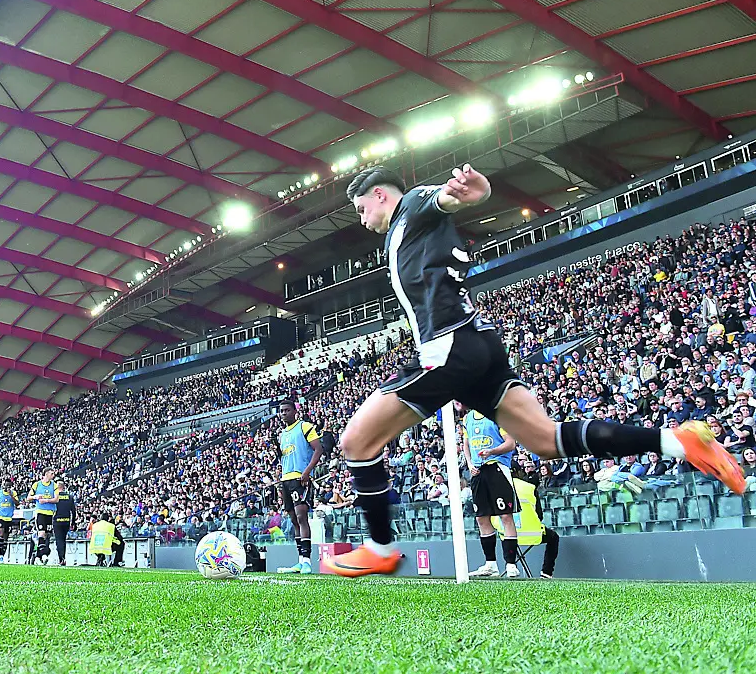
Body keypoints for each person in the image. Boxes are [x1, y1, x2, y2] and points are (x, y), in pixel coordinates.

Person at [323, 164, 745, 577]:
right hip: (477, 343)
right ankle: (678, 441)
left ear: (380, 195)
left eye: (362, 209)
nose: (363, 220)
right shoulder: (406, 228)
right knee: (544, 440)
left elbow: (445, 198)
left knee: (356, 442)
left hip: (449, 345)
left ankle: (379, 547)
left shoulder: (412, 206)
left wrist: (474, 191)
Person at [461, 408, 521, 579]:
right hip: (478, 471)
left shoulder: (497, 414)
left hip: (497, 467)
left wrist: (491, 451)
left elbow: (510, 443)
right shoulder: (468, 419)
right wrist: (470, 462)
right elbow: (466, 444)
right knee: (481, 517)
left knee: (505, 516)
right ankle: (490, 564)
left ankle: (510, 564)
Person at [274, 400, 324, 574]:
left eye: (287, 410)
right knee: (294, 519)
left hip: (300, 478)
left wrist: (307, 471)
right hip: (286, 480)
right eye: (281, 411)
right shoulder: (281, 434)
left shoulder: (305, 427)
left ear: (295, 411)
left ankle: (308, 561)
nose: (284, 413)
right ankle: (300, 560)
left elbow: (318, 449)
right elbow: (284, 457)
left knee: (302, 516)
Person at [27, 467, 58, 565]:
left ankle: (37, 557)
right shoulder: (37, 485)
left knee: (46, 535)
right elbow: (28, 498)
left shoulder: (54, 485)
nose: (53, 475)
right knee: (41, 533)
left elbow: (56, 499)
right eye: (51, 473)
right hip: (40, 512)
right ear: (46, 474)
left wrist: (46, 500)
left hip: (50, 513)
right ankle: (44, 555)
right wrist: (35, 497)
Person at [53, 478, 77, 566]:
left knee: (59, 541)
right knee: (63, 540)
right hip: (66, 521)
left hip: (57, 521)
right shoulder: (69, 497)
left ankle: (61, 558)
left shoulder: (55, 496)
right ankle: (63, 557)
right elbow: (73, 511)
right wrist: (73, 522)